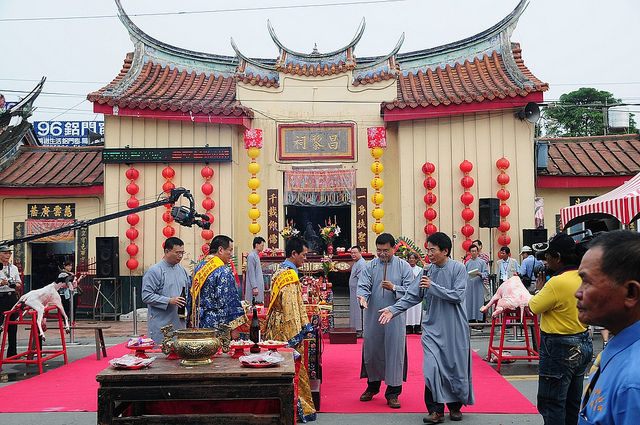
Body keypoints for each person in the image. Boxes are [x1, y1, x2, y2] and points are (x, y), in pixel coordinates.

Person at [379, 232, 474, 423]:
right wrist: (393, 310)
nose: (429, 253)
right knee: (431, 367)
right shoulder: (427, 271)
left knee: (454, 367)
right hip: (432, 328)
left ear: (445, 251)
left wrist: (433, 287)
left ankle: (455, 407)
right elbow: (413, 295)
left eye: (433, 249)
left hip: (454, 327)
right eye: (427, 249)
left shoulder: (458, 268)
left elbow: (458, 296)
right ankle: (435, 410)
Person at [575, 230, 640, 425]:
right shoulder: (620, 348)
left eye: (587, 282)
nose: (578, 293)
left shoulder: (632, 382)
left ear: (630, 292)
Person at [529, 232, 592, 425]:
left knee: (552, 403)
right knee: (572, 402)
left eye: (548, 257)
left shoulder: (557, 282)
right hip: (583, 342)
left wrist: (540, 289)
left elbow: (534, 306)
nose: (545, 261)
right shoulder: (584, 276)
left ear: (558, 257)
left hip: (559, 347)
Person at [356, 233, 414, 409]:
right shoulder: (370, 266)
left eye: (386, 250)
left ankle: (393, 393)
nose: (382, 254)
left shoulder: (404, 266)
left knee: (394, 352)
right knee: (373, 351)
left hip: (395, 318)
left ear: (394, 248)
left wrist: (394, 288)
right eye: (379, 250)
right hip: (373, 316)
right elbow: (363, 285)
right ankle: (372, 387)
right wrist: (363, 298)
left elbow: (412, 291)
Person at [264, 237, 316, 422]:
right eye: (303, 255)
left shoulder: (283, 270)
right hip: (285, 328)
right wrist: (297, 333)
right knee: (292, 366)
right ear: (293, 254)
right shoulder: (289, 275)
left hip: (278, 323)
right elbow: (290, 307)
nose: (305, 259)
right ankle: (295, 407)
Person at [187, 235, 247, 338]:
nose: (231, 254)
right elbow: (226, 302)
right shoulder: (224, 270)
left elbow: (190, 297)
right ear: (220, 250)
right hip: (215, 323)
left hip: (198, 322)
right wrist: (232, 328)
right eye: (230, 250)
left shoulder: (198, 268)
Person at [141, 237, 189, 344]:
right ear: (167, 251)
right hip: (161, 323)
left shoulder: (183, 271)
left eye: (182, 252)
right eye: (177, 253)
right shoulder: (154, 271)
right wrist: (169, 300)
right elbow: (146, 295)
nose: (180, 256)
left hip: (179, 322)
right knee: (162, 355)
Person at [0, 245, 22, 357]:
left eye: (9, 253)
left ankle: (12, 353)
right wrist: (1, 283)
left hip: (11, 296)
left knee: (13, 325)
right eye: (5, 253)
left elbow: (19, 285)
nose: (7, 255)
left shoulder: (13, 268)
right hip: (0, 296)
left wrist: (13, 284)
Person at [465, 244, 488, 325]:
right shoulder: (467, 263)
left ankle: (481, 321)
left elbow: (486, 273)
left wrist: (480, 274)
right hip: (469, 285)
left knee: (479, 302)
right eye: (472, 251)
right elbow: (465, 273)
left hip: (478, 284)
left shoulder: (482, 262)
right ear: (470, 252)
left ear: (477, 252)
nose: (473, 253)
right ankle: (471, 321)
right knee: (470, 302)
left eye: (475, 251)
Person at [348, 245, 366, 336]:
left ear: (360, 253)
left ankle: (359, 329)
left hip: (358, 291)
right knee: (354, 309)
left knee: (358, 310)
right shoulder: (356, 262)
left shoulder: (361, 263)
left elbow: (361, 279)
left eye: (355, 253)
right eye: (352, 253)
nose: (353, 254)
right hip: (354, 290)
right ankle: (355, 328)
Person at [244, 236, 265, 304]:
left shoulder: (256, 255)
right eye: (262, 245)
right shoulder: (251, 256)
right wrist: (254, 287)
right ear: (257, 245)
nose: (262, 247)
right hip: (254, 288)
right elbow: (251, 273)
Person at [406, 252, 423, 334]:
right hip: (408, 291)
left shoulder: (420, 269)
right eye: (410, 258)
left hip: (417, 292)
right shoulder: (405, 268)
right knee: (408, 310)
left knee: (417, 310)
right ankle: (408, 327)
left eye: (413, 258)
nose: (411, 260)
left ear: (416, 260)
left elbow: (420, 280)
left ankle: (417, 327)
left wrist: (414, 277)